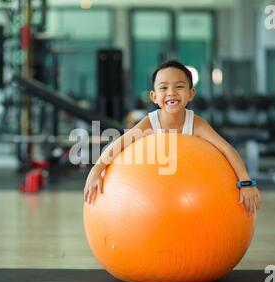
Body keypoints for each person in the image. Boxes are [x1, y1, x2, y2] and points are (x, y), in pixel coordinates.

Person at [84, 60, 262, 214]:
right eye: (163, 88)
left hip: (191, 194)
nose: (171, 93)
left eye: (179, 86)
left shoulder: (196, 124)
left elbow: (226, 149)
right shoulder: (149, 123)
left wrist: (246, 183)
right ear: (154, 97)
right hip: (154, 195)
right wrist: (95, 171)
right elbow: (118, 145)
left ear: (191, 93)